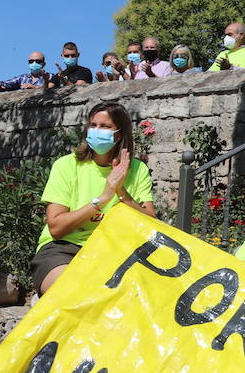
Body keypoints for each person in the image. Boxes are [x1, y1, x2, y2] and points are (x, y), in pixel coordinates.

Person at [30, 102, 156, 294]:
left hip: (115, 250)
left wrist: (121, 191)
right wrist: (103, 198)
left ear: (120, 134)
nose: (97, 131)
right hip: (64, 248)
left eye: (105, 126)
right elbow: (56, 228)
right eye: (93, 125)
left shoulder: (138, 170)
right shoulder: (66, 165)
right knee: (70, 290)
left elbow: (151, 223)